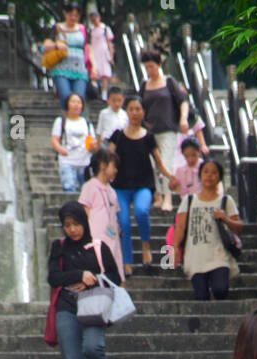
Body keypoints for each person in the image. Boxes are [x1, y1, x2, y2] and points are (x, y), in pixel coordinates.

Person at [47, 200, 122, 359]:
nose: (72, 229)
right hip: (66, 306)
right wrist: (79, 274)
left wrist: (93, 278)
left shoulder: (99, 246)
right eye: (67, 225)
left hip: (94, 305)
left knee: (93, 347)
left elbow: (115, 278)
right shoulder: (59, 247)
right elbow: (53, 277)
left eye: (76, 224)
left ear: (84, 222)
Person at [110, 96, 179, 275]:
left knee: (141, 211)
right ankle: (126, 261)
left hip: (143, 185)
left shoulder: (148, 137)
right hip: (121, 187)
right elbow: (107, 159)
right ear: (127, 112)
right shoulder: (117, 135)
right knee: (123, 222)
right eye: (131, 109)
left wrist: (171, 177)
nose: (135, 113)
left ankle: (146, 246)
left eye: (138, 109)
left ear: (143, 112)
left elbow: (159, 163)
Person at [170, 158, 242, 301]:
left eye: (214, 173)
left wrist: (225, 218)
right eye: (206, 172)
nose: (209, 175)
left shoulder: (226, 201)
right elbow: (180, 226)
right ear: (200, 176)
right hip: (196, 256)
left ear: (220, 177)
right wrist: (175, 248)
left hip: (219, 255)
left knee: (220, 290)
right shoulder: (189, 200)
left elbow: (238, 226)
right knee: (201, 296)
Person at [139, 49, 191, 213]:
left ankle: (168, 197)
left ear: (159, 65)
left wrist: (183, 119)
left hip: (168, 130)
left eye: (152, 66)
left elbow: (183, 101)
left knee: (166, 163)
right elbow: (139, 107)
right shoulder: (144, 85)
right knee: (153, 164)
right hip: (150, 131)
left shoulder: (169, 82)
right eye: (147, 67)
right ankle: (158, 195)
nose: (150, 70)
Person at [80, 149, 124, 279]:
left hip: (112, 237)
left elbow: (115, 213)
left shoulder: (112, 191)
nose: (116, 170)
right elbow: (85, 210)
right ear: (102, 165)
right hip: (97, 237)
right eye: (113, 166)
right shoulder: (89, 187)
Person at [50, 92, 98, 194]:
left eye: (79, 102)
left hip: (85, 161)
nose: (76, 105)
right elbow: (55, 139)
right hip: (67, 160)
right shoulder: (61, 121)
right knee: (68, 188)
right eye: (73, 102)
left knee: (87, 192)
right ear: (67, 104)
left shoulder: (87, 123)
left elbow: (92, 139)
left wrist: (93, 145)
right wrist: (61, 149)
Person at [49, 3, 89, 108]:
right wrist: (56, 44)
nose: (73, 18)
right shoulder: (57, 28)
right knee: (66, 97)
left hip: (79, 69)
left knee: (79, 99)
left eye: (76, 15)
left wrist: (93, 66)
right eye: (71, 14)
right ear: (65, 14)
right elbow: (46, 45)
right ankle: (65, 121)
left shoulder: (82, 29)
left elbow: (88, 47)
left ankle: (79, 121)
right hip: (61, 68)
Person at [86, 10, 115, 99]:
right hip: (94, 53)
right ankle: (95, 91)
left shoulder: (105, 28)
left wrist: (111, 55)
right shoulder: (90, 30)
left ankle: (104, 94)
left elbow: (109, 43)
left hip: (103, 52)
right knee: (95, 72)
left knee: (104, 73)